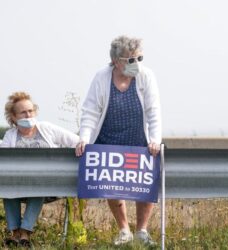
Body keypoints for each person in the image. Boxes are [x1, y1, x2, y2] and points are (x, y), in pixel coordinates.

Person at [75, 35, 162, 246]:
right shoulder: (101, 77)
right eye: (130, 60)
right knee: (112, 184)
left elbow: (153, 111)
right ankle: (124, 230)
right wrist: (84, 138)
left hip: (138, 139)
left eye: (139, 58)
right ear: (116, 60)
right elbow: (90, 111)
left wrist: (154, 139)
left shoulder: (146, 76)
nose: (137, 64)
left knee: (144, 184)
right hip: (109, 139)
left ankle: (142, 230)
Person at [1, 92, 79, 247]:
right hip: (18, 186)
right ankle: (15, 234)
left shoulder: (47, 128)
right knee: (6, 188)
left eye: (30, 111)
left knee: (39, 186)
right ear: (14, 117)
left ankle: (25, 232)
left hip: (47, 186)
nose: (28, 114)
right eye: (23, 112)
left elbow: (76, 141)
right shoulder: (10, 136)